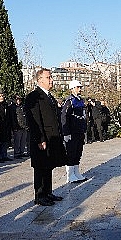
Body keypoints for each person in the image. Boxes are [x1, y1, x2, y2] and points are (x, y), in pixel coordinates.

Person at [25, 68, 67, 206]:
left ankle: (48, 192)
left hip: (52, 137)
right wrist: (40, 138)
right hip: (42, 139)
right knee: (40, 167)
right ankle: (40, 195)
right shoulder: (34, 97)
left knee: (49, 166)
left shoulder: (49, 96)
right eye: (48, 77)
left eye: (51, 77)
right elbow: (34, 120)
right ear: (40, 80)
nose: (51, 80)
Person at [61, 80, 88, 184]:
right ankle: (70, 175)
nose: (80, 89)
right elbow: (64, 117)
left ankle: (76, 173)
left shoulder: (80, 100)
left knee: (78, 153)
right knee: (71, 153)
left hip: (79, 130)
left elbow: (83, 116)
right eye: (77, 87)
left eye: (80, 87)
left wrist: (84, 128)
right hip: (71, 131)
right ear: (72, 89)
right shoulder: (69, 101)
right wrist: (66, 132)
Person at [0, 88, 12, 162]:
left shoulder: (5, 104)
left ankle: (4, 155)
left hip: (5, 125)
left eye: (3, 95)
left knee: (5, 141)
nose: (2, 97)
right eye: (0, 95)